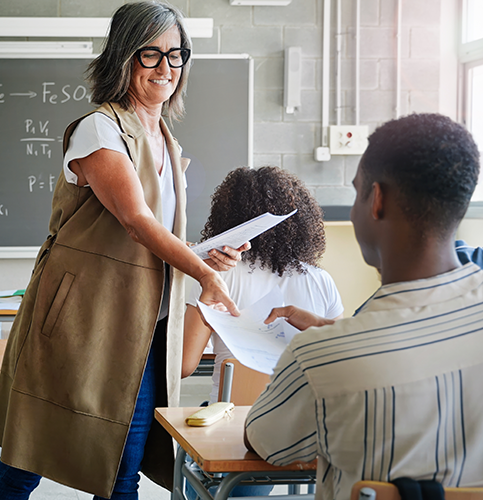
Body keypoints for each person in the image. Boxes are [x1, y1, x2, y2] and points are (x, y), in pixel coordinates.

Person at [0, 3, 248, 499]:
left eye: (176, 55)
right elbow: (136, 222)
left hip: (143, 324)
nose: (166, 69)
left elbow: (150, 236)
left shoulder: (167, 140)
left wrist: (205, 255)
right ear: (123, 58)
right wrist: (202, 272)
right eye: (150, 55)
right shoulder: (99, 128)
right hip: (82, 322)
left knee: (120, 465)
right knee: (28, 458)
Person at [244, 113, 483, 500]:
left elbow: (262, 442)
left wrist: (328, 345)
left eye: (357, 192)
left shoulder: (319, 358)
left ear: (377, 200)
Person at [182, 166, 344, 404]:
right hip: (302, 424)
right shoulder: (321, 281)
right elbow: (340, 362)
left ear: (226, 220)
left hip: (232, 420)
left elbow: (182, 366)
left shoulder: (215, 278)